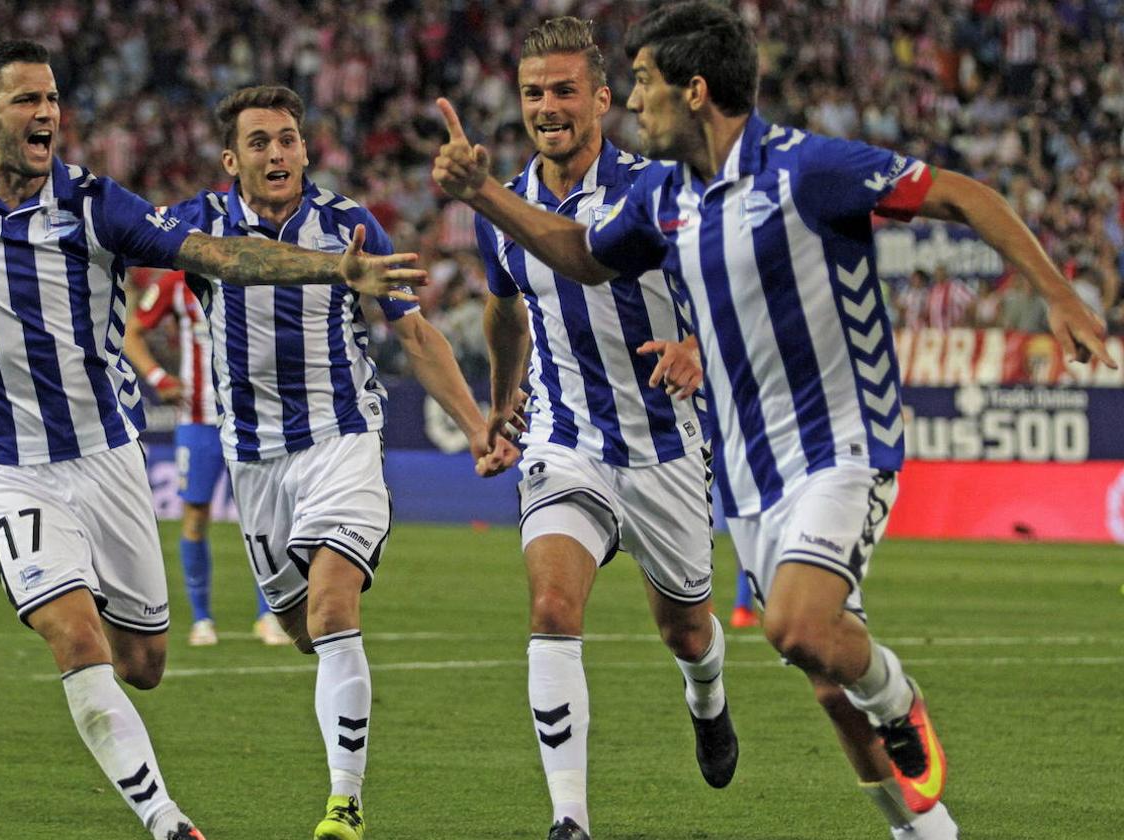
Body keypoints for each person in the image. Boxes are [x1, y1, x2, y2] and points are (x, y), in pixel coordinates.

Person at [432, 3, 1115, 839]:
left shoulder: (806, 169)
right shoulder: (668, 202)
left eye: (640, 83)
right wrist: (486, 196)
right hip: (745, 470)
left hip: (840, 442)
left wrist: (1053, 290)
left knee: (793, 623)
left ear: (693, 89)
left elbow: (962, 193)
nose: (634, 103)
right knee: (820, 669)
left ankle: (899, 700)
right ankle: (924, 831)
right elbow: (577, 256)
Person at [0, 40, 421, 840]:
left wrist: (334, 270)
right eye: (26, 101)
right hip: (7, 462)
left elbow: (220, 253)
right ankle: (167, 822)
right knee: (74, 635)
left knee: (144, 663)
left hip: (107, 451)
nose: (46, 113)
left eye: (52, 98)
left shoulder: (93, 203)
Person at [164, 84, 519, 840]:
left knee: (330, 609)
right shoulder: (198, 226)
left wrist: (477, 423)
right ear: (233, 160)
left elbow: (418, 338)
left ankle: (344, 803)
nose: (278, 152)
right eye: (259, 141)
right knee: (301, 629)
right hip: (254, 461)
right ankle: (336, 721)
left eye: (288, 138)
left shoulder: (346, 224)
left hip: (341, 440)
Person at [473, 18, 736, 840]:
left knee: (686, 630)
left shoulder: (654, 191)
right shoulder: (503, 208)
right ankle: (570, 818)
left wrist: (697, 345)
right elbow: (504, 306)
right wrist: (501, 399)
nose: (547, 107)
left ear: (601, 98)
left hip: (662, 447)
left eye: (562, 91)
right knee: (552, 606)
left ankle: (708, 697)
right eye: (533, 93)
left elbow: (726, 287)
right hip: (564, 442)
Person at [123, 269, 291, 647]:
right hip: (198, 421)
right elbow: (131, 332)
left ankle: (268, 616)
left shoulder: (253, 274)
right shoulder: (176, 283)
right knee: (196, 515)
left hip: (252, 420)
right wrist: (158, 377)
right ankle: (202, 620)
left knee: (262, 518)